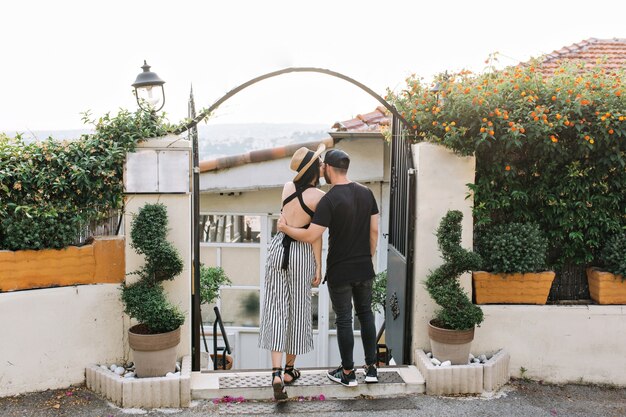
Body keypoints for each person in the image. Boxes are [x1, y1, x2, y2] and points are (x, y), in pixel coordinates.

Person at [278, 148, 379, 388]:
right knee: (366, 315)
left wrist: (284, 229)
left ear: (330, 169)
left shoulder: (329, 199)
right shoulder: (367, 193)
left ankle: (348, 373)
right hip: (364, 267)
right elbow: (374, 230)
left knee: (344, 319)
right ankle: (372, 369)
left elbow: (312, 234)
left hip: (340, 270)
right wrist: (368, 256)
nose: (321, 170)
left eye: (323, 167)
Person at [258, 143, 326, 401]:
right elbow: (315, 236)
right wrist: (319, 265)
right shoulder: (319, 197)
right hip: (300, 253)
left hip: (278, 249)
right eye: (319, 163)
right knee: (298, 308)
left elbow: (284, 220)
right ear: (313, 170)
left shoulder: (287, 187)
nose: (322, 165)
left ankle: (275, 373)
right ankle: (288, 371)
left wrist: (284, 227)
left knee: (276, 309)